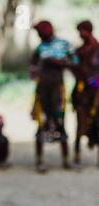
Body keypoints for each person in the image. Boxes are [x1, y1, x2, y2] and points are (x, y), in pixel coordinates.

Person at [30, 21, 78, 173]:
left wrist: (59, 62)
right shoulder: (41, 47)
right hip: (42, 90)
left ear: (46, 31)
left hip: (58, 90)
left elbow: (75, 62)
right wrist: (35, 72)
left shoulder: (64, 44)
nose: (38, 36)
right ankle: (39, 161)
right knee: (42, 122)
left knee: (59, 121)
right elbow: (32, 64)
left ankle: (66, 160)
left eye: (40, 33)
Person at [70, 20, 99, 167]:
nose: (80, 34)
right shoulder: (79, 51)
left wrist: (94, 82)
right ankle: (76, 156)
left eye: (82, 31)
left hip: (96, 93)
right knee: (80, 123)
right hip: (82, 92)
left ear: (88, 31)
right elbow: (74, 68)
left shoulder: (97, 49)